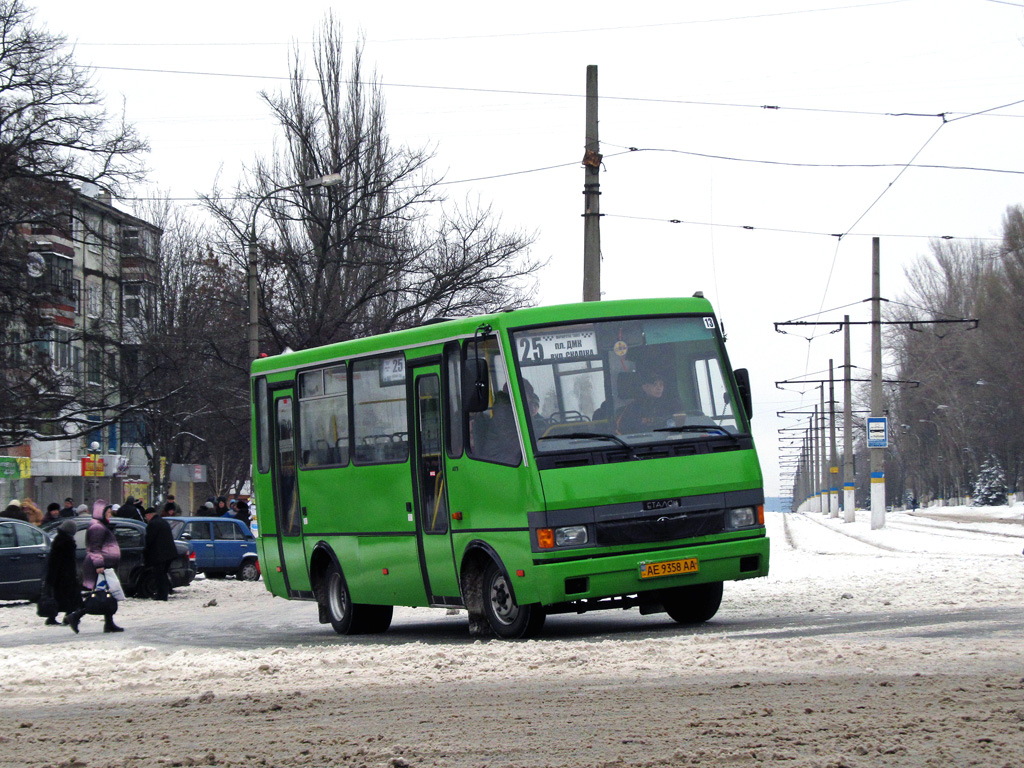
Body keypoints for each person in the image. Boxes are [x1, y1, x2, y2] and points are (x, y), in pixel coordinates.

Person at [66, 500, 123, 633]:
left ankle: (109, 623)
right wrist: (99, 565)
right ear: (100, 513)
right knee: (99, 595)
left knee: (107, 594)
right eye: (107, 512)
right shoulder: (97, 527)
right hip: (99, 566)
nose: (110, 515)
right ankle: (75, 615)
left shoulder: (100, 525)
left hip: (104, 565)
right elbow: (94, 548)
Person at [42, 519, 82, 626]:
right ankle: (69, 617)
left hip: (59, 575)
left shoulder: (59, 540)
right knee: (71, 597)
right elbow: (64, 561)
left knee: (58, 597)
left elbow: (53, 561)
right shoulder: (66, 542)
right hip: (66, 575)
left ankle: (53, 617)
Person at [143, 506, 177, 601]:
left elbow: (149, 540)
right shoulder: (163, 522)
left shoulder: (153, 524)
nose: (146, 519)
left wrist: (146, 553)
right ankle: (164, 594)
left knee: (159, 575)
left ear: (149, 515)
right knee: (163, 574)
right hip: (169, 554)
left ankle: (161, 596)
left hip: (160, 555)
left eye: (146, 517)